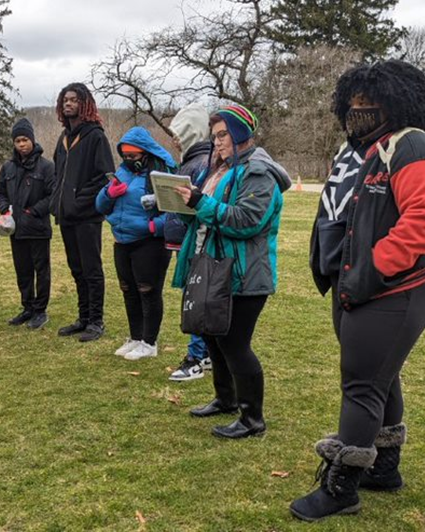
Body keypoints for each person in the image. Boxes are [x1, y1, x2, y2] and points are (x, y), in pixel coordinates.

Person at [290, 60, 425, 521]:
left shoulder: (413, 148)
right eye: (353, 104)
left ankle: (343, 486)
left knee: (361, 385)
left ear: (397, 104)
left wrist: (371, 269)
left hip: (393, 288)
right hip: (359, 284)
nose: (356, 112)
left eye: (368, 105)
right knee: (382, 377)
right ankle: (384, 467)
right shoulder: (361, 150)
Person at [172, 104, 291, 439]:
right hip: (215, 267)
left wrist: (200, 203)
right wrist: (182, 206)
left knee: (236, 343)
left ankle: (253, 420)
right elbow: (205, 215)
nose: (218, 142)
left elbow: (246, 221)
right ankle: (226, 399)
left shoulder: (258, 172)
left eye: (223, 134)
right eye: (215, 136)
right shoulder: (219, 170)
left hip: (245, 273)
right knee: (213, 335)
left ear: (240, 134)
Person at [95, 127, 177, 361]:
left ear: (146, 153)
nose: (130, 160)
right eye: (126, 156)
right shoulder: (122, 172)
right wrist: (109, 193)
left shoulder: (162, 172)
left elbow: (176, 211)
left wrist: (154, 227)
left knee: (148, 291)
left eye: (134, 155)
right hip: (122, 241)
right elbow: (100, 206)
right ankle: (136, 337)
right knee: (128, 290)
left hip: (149, 243)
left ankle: (149, 342)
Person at [51, 83, 113, 342]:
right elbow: (58, 174)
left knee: (91, 269)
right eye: (65, 99)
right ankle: (83, 317)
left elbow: (105, 177)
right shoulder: (64, 138)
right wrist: (59, 201)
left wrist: (79, 201)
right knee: (76, 268)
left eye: (74, 100)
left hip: (87, 216)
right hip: (66, 215)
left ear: (85, 104)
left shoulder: (95, 136)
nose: (68, 104)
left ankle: (96, 321)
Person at [164, 103, 214, 381]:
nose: (173, 139)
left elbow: (200, 205)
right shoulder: (189, 161)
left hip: (195, 242)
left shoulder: (202, 163)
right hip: (185, 240)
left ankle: (198, 356)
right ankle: (204, 353)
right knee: (194, 298)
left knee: (196, 301)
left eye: (177, 133)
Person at [0, 118, 55, 329]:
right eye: (18, 140)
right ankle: (27, 306)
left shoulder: (47, 167)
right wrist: (4, 209)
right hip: (15, 229)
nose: (21, 144)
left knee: (41, 270)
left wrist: (33, 211)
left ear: (32, 140)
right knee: (23, 270)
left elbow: (52, 196)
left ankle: (40, 310)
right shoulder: (8, 168)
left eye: (25, 140)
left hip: (37, 228)